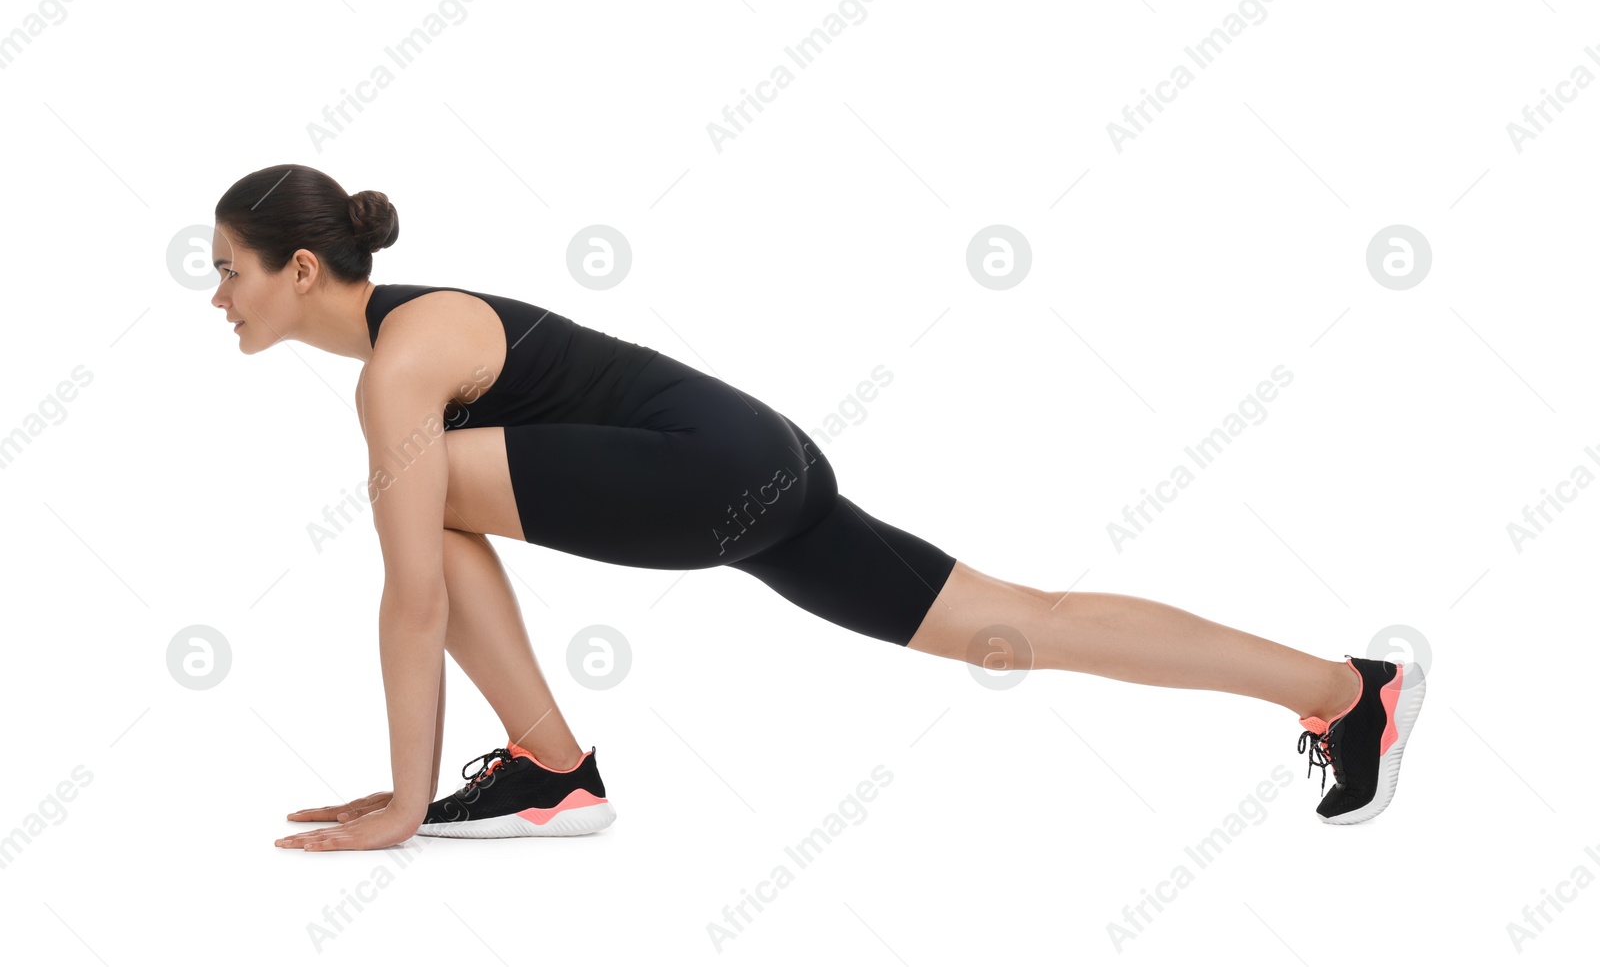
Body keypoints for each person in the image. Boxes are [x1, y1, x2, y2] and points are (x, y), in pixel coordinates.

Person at [208, 165, 1425, 852]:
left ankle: (550, 764)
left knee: (424, 516)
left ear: (301, 270)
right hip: (769, 468)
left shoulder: (399, 369)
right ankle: (1341, 686)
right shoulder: (416, 336)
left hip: (708, 471)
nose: (216, 295)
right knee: (1023, 621)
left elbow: (415, 598)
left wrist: (404, 804)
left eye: (227, 267)